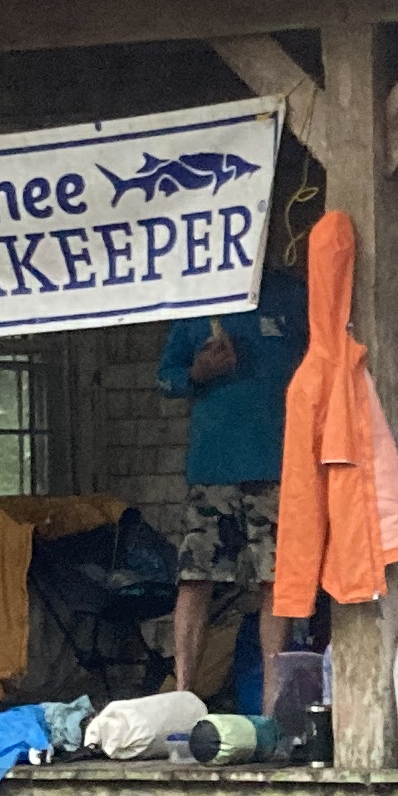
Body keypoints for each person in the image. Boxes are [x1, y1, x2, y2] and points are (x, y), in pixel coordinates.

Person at [159, 252, 309, 699]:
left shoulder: (290, 293)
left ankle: (271, 703)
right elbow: (165, 379)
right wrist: (197, 372)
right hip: (213, 469)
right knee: (195, 576)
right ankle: (186, 695)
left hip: (277, 464)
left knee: (276, 580)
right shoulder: (199, 294)